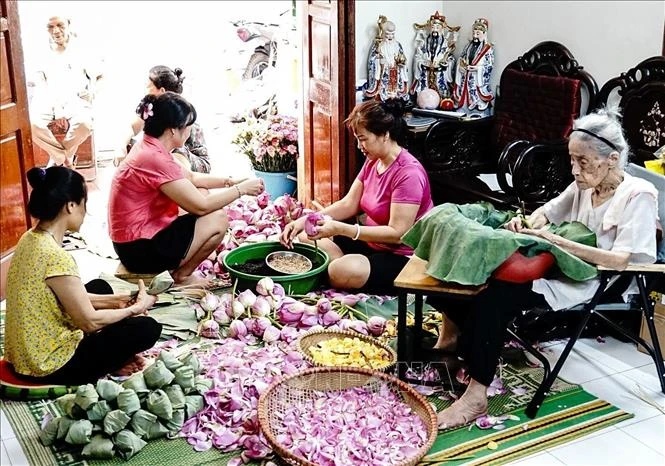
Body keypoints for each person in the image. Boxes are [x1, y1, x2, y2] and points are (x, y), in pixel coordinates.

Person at [429, 108, 658, 429]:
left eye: (583, 162)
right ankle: (457, 341)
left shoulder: (639, 195)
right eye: (572, 160)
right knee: (471, 273)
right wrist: (526, 224)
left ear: (613, 158)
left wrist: (555, 242)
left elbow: (623, 260)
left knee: (496, 297)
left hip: (604, 278)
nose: (575, 171)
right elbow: (547, 213)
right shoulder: (585, 183)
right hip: (563, 263)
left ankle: (476, 395)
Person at [5, 167, 161, 385]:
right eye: (83, 204)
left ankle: (114, 358)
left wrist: (117, 301)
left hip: (24, 357)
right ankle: (112, 361)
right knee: (147, 329)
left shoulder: (30, 238)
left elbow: (65, 296)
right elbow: (88, 322)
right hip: (49, 366)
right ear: (70, 205)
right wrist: (134, 309)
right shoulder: (55, 256)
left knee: (100, 287)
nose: (85, 211)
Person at [108, 92, 264, 286]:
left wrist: (231, 182)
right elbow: (201, 207)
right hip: (138, 250)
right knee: (218, 218)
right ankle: (182, 276)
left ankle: (179, 270)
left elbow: (192, 178)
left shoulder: (150, 146)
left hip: (136, 238)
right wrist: (241, 190)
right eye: (188, 125)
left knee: (202, 193)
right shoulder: (154, 157)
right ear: (173, 130)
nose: (191, 130)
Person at [280, 99, 434, 294]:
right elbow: (349, 204)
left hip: (402, 257)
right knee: (305, 236)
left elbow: (397, 234)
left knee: (342, 268)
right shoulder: (373, 161)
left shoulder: (408, 174)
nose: (359, 145)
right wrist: (305, 220)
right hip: (371, 244)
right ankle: (340, 271)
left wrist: (342, 229)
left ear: (385, 135)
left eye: (363, 139)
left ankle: (340, 271)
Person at [29, 15, 102, 168]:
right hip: (48, 100)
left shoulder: (82, 49)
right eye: (50, 27)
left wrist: (93, 91)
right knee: (31, 124)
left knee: (85, 124)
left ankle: (56, 163)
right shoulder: (40, 51)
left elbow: (100, 75)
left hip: (75, 100)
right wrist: (57, 108)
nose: (56, 31)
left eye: (60, 25)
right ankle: (64, 160)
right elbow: (40, 83)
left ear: (68, 24)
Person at [115, 66, 211, 173]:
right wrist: (121, 147)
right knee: (134, 146)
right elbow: (132, 127)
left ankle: (180, 184)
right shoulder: (150, 106)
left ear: (162, 91)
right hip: (166, 155)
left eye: (148, 87)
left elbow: (172, 145)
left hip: (192, 160)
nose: (145, 91)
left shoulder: (178, 109)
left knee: (170, 149)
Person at [451, 18, 495, 116]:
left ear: (484, 34)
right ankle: (463, 109)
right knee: (463, 94)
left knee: (476, 96)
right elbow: (461, 58)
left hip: (476, 79)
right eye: (474, 33)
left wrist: (478, 69)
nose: (475, 36)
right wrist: (461, 65)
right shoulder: (468, 46)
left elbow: (489, 65)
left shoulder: (488, 49)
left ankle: (477, 111)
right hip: (465, 76)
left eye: (478, 34)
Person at [411, 12, 459, 100]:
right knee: (424, 97)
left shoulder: (446, 44)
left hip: (440, 73)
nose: (435, 30)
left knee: (441, 94)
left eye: (437, 27)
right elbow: (418, 56)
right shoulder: (424, 42)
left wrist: (446, 63)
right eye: (433, 27)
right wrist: (422, 63)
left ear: (442, 28)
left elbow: (451, 58)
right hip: (425, 73)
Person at [364, 17, 409, 102]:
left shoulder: (397, 45)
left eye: (392, 34)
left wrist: (402, 63)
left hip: (396, 71)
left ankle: (396, 99)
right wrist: (380, 61)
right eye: (388, 34)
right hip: (384, 73)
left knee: (397, 92)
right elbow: (372, 61)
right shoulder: (378, 46)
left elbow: (403, 57)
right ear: (383, 33)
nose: (390, 37)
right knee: (383, 92)